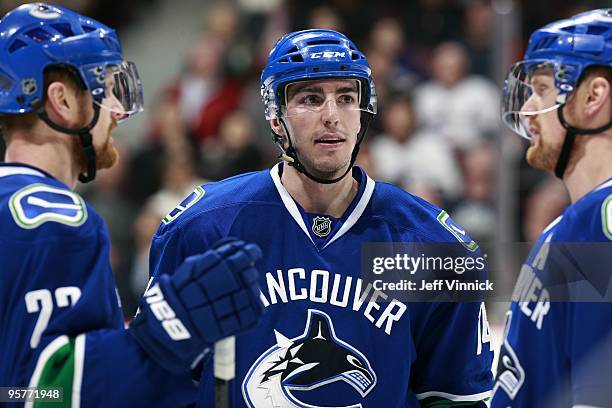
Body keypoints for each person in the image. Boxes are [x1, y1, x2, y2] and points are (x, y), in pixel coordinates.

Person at [150, 29, 494, 407]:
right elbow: (155, 380)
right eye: (310, 98)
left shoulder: (431, 245)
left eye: (346, 98)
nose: (332, 117)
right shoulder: (205, 227)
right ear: (276, 117)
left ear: (364, 112)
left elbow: (457, 396)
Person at [0, 4, 264, 407]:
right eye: (105, 89)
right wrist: (168, 332)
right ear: (62, 101)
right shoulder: (58, 224)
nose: (119, 112)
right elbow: (38, 394)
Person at [492, 9, 612, 407]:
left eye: (542, 89)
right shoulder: (572, 223)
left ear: (594, 96)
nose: (527, 111)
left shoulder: (601, 219)